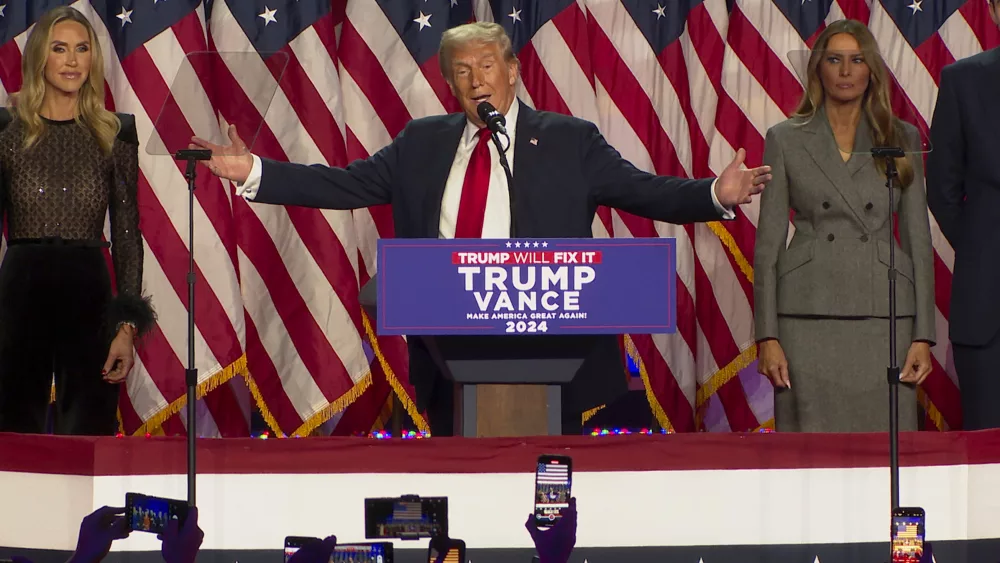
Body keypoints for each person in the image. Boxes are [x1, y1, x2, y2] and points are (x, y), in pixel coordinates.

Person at [193, 22, 770, 436]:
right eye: (462, 71)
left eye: (487, 65)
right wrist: (254, 172)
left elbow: (643, 191)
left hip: (553, 348)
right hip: (451, 352)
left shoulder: (570, 140)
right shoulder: (422, 143)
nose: (475, 80)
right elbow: (345, 185)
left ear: (513, 72)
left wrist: (715, 194)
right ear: (450, 83)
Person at [753, 20, 935, 432]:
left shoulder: (900, 137)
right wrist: (767, 336)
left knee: (884, 453)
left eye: (857, 60)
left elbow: (919, 243)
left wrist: (924, 335)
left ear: (871, 69)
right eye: (835, 60)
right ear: (819, 68)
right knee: (810, 454)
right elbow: (767, 247)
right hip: (806, 314)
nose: (846, 71)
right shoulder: (784, 138)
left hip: (884, 316)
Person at [0, 7, 155, 435]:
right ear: (39, 59)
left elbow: (126, 234)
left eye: (82, 49)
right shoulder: (6, 131)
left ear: (93, 60)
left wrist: (126, 328)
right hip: (19, 292)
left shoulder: (114, 132)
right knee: (12, 435)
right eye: (60, 48)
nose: (72, 61)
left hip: (89, 293)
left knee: (88, 433)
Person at [925, 1, 1000, 431]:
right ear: (991, 10)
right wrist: (981, 248)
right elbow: (942, 190)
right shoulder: (961, 80)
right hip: (988, 312)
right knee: (989, 459)